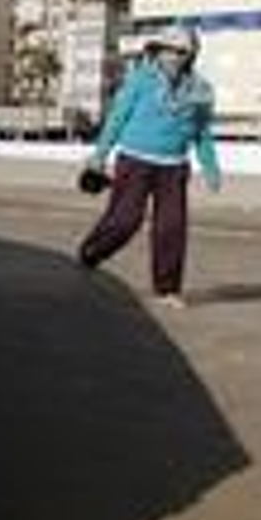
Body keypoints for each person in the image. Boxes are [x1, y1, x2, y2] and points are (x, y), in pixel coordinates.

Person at [78, 24, 221, 308]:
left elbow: (202, 133)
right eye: (167, 50)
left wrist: (211, 168)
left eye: (180, 51)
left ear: (191, 55)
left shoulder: (201, 90)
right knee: (125, 221)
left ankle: (167, 289)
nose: (173, 57)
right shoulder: (141, 79)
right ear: (158, 50)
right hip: (134, 160)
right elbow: (118, 117)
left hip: (174, 167)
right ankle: (92, 251)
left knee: (172, 228)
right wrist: (100, 155)